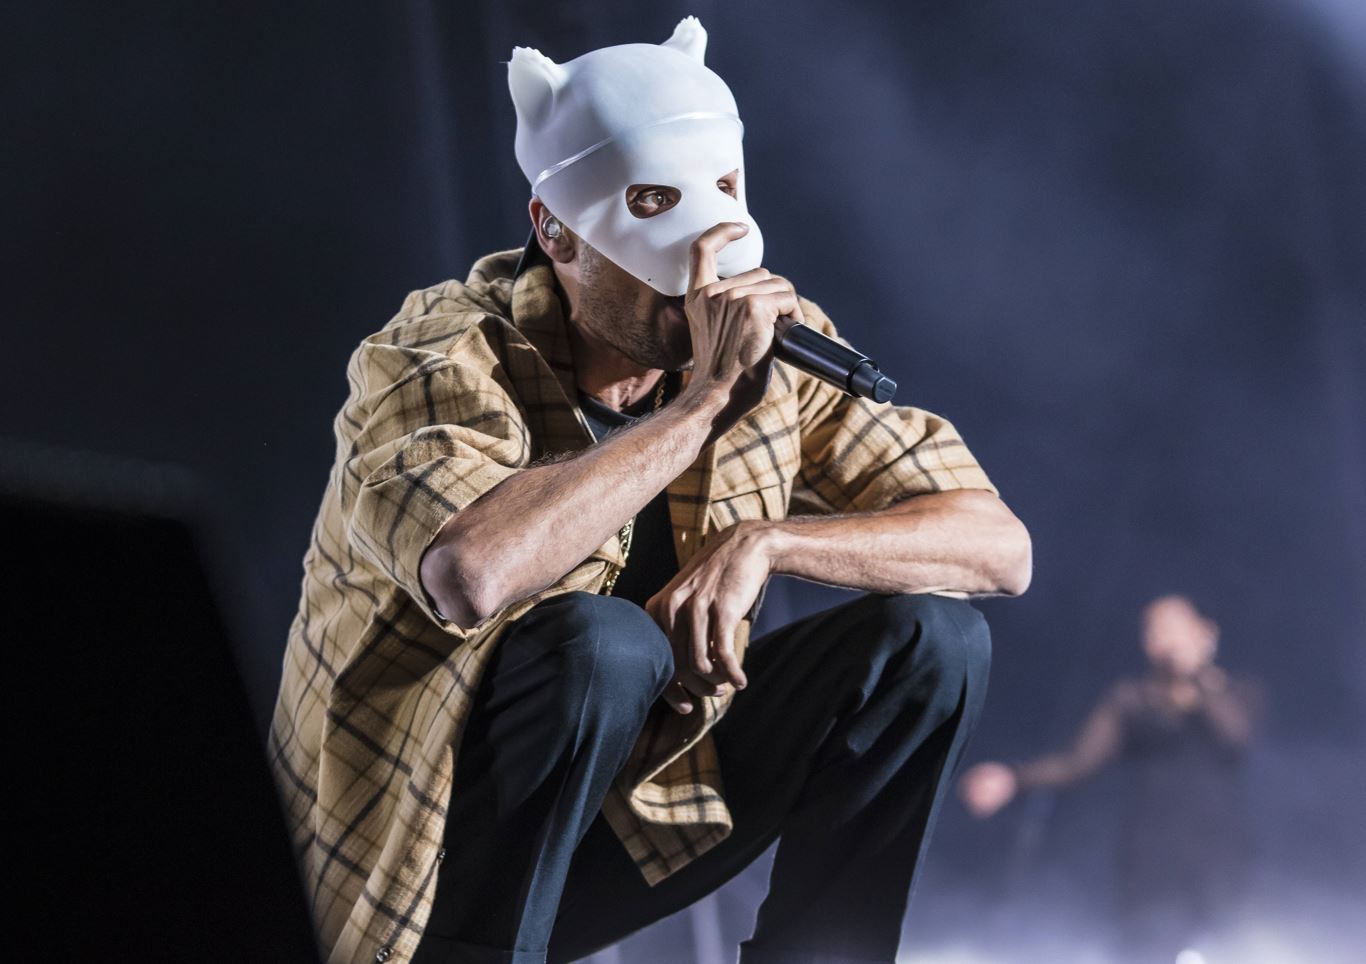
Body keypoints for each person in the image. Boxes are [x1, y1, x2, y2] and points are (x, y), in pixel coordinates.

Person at [270, 18, 1031, 964]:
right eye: (656, 205)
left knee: (933, 640)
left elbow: (1001, 549)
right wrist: (704, 402)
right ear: (556, 231)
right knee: (607, 643)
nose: (702, 269)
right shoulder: (438, 351)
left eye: (721, 195)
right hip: (426, 860)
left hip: (631, 824)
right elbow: (469, 573)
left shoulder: (772, 351)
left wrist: (769, 544)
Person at [957, 595, 1261, 961]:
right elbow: (1078, 762)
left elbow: (1237, 739)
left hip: (1219, 850)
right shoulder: (1131, 700)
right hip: (1152, 850)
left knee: (1227, 945)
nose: (1162, 638)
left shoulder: (1237, 691)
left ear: (1204, 634)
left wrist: (1198, 673)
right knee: (1148, 946)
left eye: (1172, 628)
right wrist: (1013, 778)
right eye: (1152, 631)